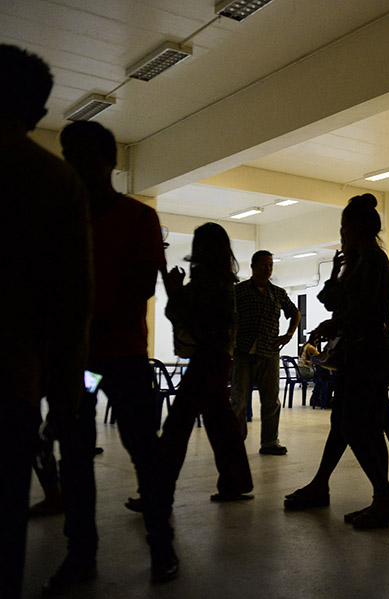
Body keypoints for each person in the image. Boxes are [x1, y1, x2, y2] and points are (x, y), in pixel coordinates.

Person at [50, 120, 179, 590]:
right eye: (69, 154)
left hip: (120, 358)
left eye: (82, 153)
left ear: (108, 161)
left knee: (143, 449)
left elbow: (142, 286)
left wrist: (81, 327)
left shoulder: (138, 218)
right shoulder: (63, 219)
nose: (73, 163)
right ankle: (80, 553)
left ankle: (161, 544)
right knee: (76, 453)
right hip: (82, 364)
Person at [0, 44, 92, 599]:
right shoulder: (54, 182)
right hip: (11, 384)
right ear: (36, 115)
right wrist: (65, 399)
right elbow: (71, 303)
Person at [283, 194, 389, 528]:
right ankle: (323, 485)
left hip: (369, 350)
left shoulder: (374, 260)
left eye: (344, 229)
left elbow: (371, 311)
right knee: (346, 422)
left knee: (356, 425)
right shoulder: (357, 261)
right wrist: (336, 271)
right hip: (357, 351)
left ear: (357, 230)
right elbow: (330, 300)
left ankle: (382, 496)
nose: (341, 236)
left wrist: (336, 323)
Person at [160, 223, 254, 510]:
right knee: (219, 421)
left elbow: (183, 314)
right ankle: (235, 482)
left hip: (208, 357)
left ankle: (158, 490)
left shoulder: (208, 281)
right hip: (218, 355)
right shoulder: (219, 279)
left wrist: (173, 292)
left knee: (178, 422)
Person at [231, 250, 300, 455]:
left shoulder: (278, 293)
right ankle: (235, 440)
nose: (268, 269)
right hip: (243, 353)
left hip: (269, 352)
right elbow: (227, 317)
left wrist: (288, 335)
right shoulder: (240, 291)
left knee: (271, 400)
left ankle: (269, 442)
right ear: (252, 266)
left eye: (270, 265)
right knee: (239, 399)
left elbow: (294, 313)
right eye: (263, 265)